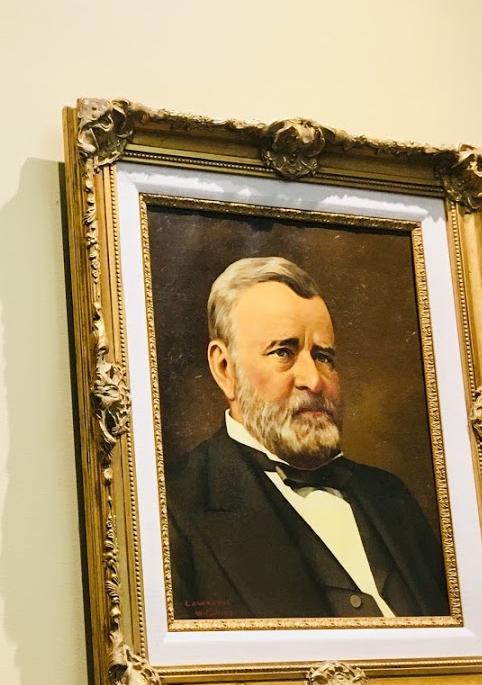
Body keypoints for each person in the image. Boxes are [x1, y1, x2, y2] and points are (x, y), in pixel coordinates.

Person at [166, 256, 450, 621]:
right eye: (283, 352)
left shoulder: (390, 495)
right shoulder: (174, 510)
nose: (314, 381)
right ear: (225, 369)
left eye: (324, 357)